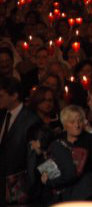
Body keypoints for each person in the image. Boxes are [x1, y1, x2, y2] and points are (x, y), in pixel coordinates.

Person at [0, 76, 42, 205]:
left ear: (14, 96)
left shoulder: (31, 121)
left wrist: (29, 188)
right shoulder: (2, 114)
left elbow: (32, 159)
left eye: (1, 95)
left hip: (18, 186)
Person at [52, 105, 92, 201]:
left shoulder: (91, 140)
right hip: (61, 189)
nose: (77, 125)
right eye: (72, 122)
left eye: (80, 121)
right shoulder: (58, 140)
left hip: (83, 191)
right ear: (64, 124)